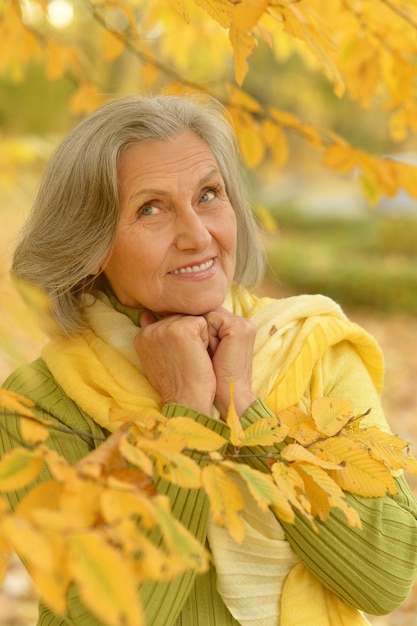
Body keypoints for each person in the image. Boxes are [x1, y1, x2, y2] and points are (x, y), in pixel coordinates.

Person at [1, 93, 417, 626]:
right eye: (150, 208)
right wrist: (187, 416)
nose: (198, 236)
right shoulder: (38, 406)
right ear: (89, 245)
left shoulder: (313, 347)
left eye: (208, 194)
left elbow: (384, 577)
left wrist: (245, 406)